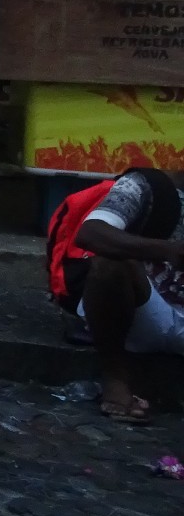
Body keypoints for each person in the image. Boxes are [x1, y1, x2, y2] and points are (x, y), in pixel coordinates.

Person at [63, 168, 184, 423]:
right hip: (145, 310)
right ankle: (115, 378)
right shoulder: (147, 185)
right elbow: (91, 233)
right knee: (109, 263)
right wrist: (168, 250)